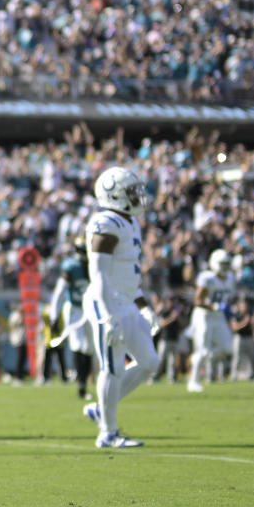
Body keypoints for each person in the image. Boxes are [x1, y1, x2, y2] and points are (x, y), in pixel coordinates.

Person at [81, 166, 159, 448]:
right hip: (106, 303)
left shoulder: (130, 222)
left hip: (126, 301)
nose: (138, 196)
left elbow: (129, 274)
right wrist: (107, 316)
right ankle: (108, 432)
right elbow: (98, 275)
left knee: (150, 361)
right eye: (131, 191)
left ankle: (102, 409)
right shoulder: (105, 223)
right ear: (113, 194)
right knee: (112, 367)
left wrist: (145, 307)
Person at [47, 237, 94, 398]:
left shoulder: (97, 264)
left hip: (90, 309)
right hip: (74, 308)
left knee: (89, 347)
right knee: (77, 344)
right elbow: (60, 292)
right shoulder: (71, 266)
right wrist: (54, 316)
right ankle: (81, 383)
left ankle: (83, 381)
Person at [186, 249, 236, 393]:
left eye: (227, 264)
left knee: (227, 348)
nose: (225, 267)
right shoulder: (207, 278)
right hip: (204, 315)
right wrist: (214, 306)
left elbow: (227, 299)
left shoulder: (230, 278)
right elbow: (197, 300)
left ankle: (205, 356)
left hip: (218, 316)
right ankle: (193, 381)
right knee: (201, 350)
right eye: (222, 264)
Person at [229, 295, 254, 381]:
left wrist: (252, 322)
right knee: (237, 358)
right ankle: (233, 375)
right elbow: (234, 327)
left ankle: (252, 375)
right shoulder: (236, 315)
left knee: (251, 358)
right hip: (239, 337)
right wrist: (244, 322)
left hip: (249, 337)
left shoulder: (250, 314)